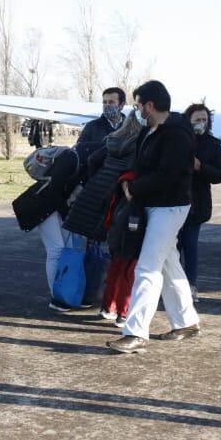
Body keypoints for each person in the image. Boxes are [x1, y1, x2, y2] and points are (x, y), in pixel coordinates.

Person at [106, 81, 201, 354]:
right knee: (168, 263)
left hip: (169, 208)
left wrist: (133, 188)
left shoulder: (176, 135)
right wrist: (128, 183)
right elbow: (140, 165)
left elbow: (168, 175)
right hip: (155, 205)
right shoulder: (151, 131)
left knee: (147, 268)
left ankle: (136, 332)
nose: (136, 110)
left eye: (138, 105)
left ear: (150, 105)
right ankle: (186, 322)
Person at [63, 115, 143, 321]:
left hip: (99, 198)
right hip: (123, 203)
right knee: (128, 259)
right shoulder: (139, 144)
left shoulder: (112, 140)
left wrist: (99, 179)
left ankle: (102, 303)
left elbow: (92, 160)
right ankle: (122, 311)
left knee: (107, 254)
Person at [12, 146, 82, 308]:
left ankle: (63, 292)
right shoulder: (72, 159)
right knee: (56, 249)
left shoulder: (76, 157)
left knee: (66, 248)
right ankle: (56, 297)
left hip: (52, 204)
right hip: (43, 206)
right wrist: (66, 215)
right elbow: (55, 189)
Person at [177, 103, 221, 301]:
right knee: (172, 245)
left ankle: (191, 285)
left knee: (190, 244)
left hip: (198, 204)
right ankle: (169, 285)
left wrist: (200, 167)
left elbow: (220, 174)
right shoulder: (178, 140)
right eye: (197, 120)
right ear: (188, 121)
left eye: (204, 120)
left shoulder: (213, 144)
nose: (201, 123)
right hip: (175, 200)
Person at [75, 87, 127, 161]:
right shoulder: (91, 126)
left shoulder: (130, 128)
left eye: (111, 102)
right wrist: (105, 146)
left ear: (121, 105)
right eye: (104, 102)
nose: (107, 105)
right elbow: (79, 149)